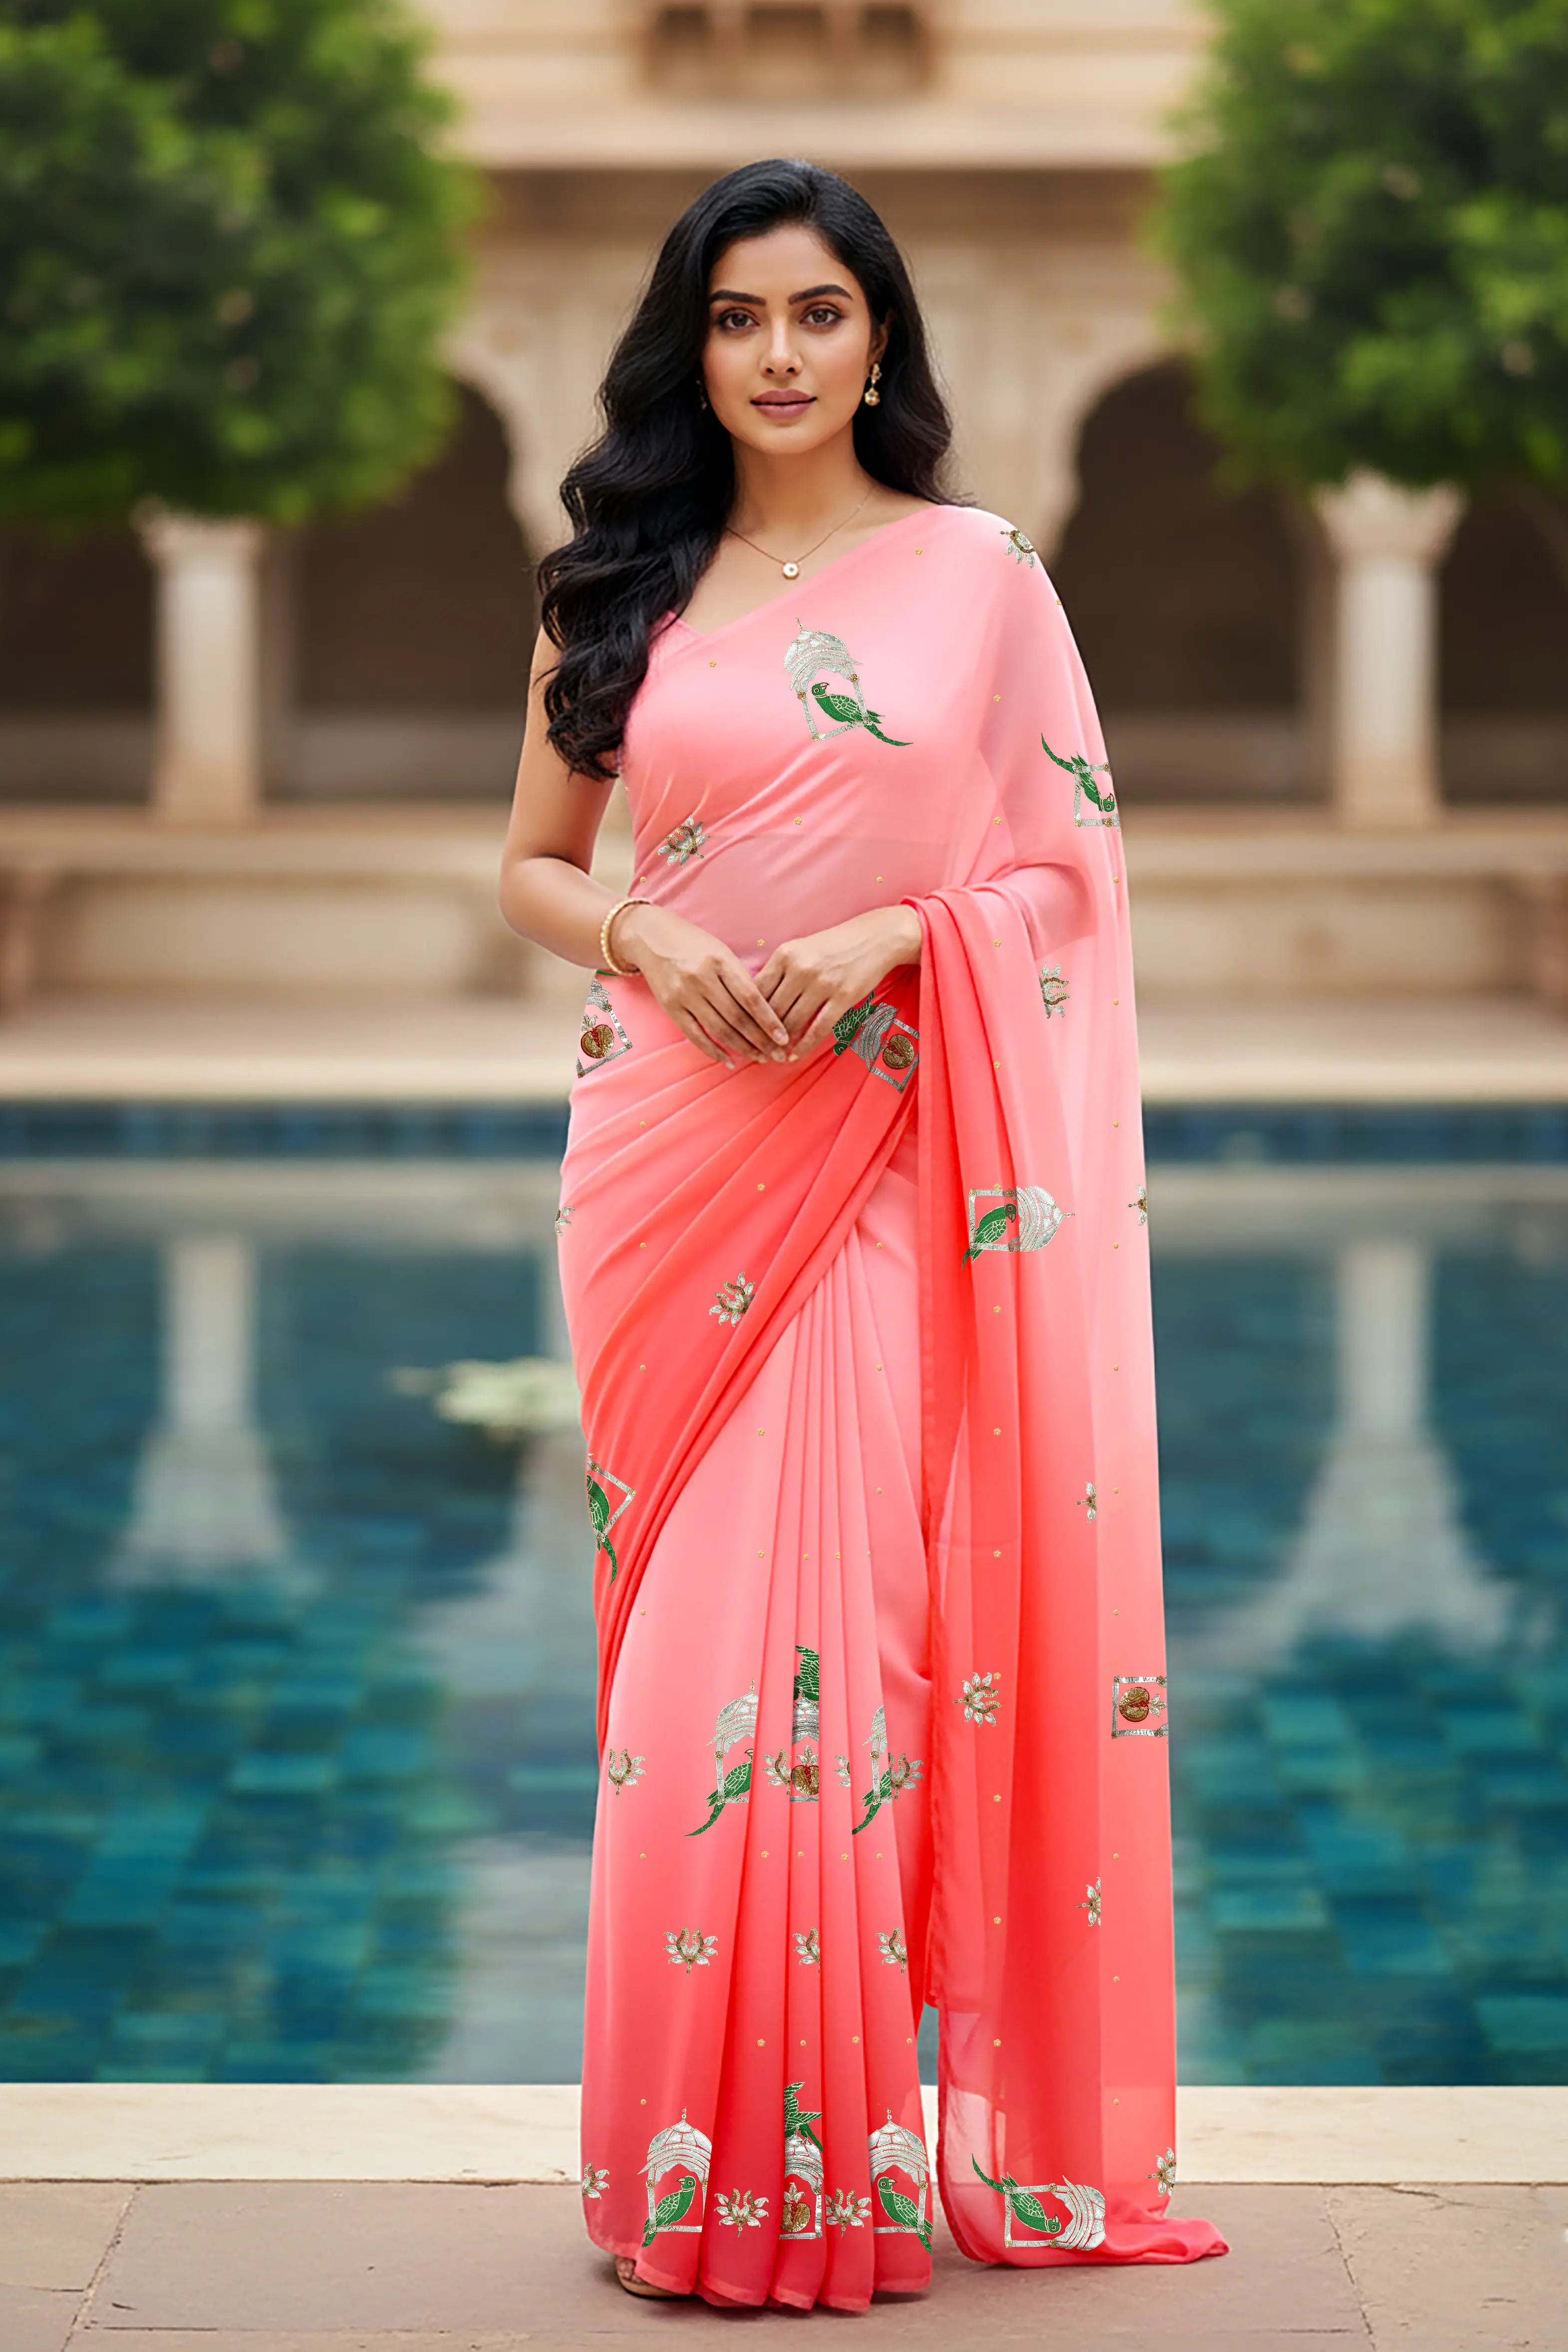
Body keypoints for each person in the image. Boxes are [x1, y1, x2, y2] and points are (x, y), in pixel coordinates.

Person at [498, 156, 1225, 2315]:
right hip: (663, 1158)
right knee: (676, 1691)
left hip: (888, 1153)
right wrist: (645, 929)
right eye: (738, 318)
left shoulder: (980, 578)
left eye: (818, 313)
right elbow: (534, 865)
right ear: (690, 347)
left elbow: (1071, 876)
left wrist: (894, 933)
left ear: (880, 340)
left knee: (836, 1663)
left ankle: (827, 2174)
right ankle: (686, 2175)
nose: (781, 353)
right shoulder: (616, 583)